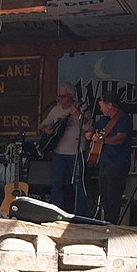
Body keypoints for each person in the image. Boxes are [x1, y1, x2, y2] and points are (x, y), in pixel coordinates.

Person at [39, 83, 88, 214]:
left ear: (71, 96)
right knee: (56, 184)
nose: (61, 99)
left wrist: (78, 115)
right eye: (59, 96)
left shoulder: (81, 108)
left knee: (78, 185)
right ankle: (57, 213)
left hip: (76, 152)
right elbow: (42, 125)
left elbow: (89, 128)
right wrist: (46, 129)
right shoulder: (56, 110)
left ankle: (81, 214)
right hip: (58, 152)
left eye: (64, 96)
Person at [85, 91, 133, 223]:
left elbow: (120, 139)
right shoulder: (104, 120)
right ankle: (107, 224)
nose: (100, 108)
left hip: (117, 164)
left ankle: (113, 226)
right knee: (105, 198)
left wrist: (102, 140)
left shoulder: (124, 119)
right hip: (104, 164)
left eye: (102, 106)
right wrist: (90, 133)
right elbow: (92, 127)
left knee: (113, 198)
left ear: (110, 105)